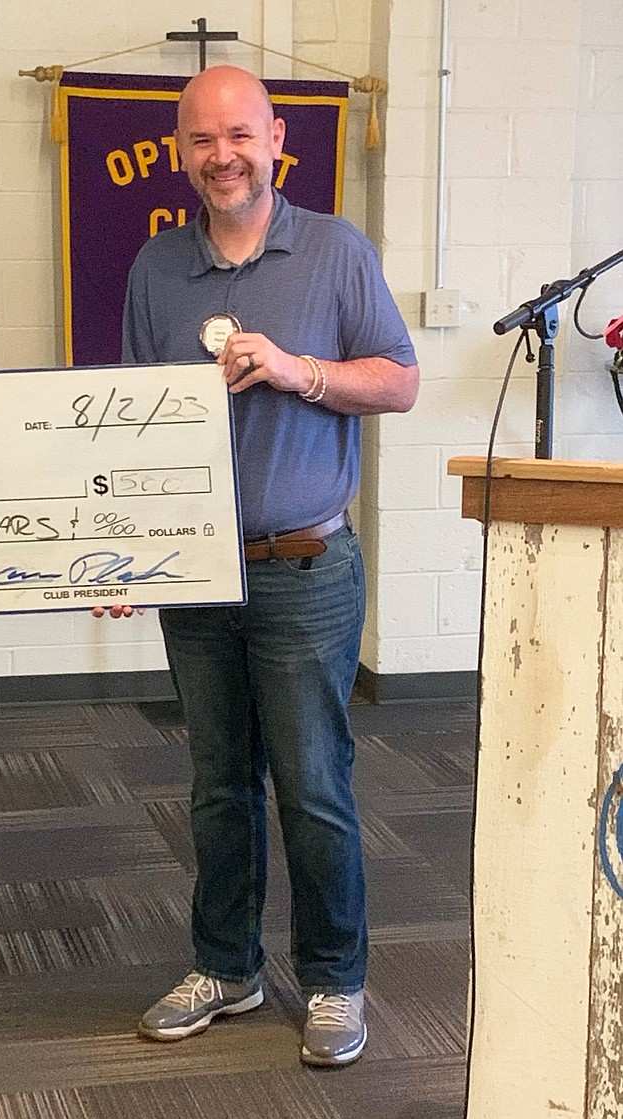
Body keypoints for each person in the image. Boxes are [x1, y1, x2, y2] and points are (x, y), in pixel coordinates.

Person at [110, 65, 419, 1066]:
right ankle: (227, 965)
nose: (221, 154)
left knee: (311, 785)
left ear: (276, 138)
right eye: (201, 139)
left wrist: (298, 370)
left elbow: (399, 381)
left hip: (303, 569)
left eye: (238, 134)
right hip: (195, 578)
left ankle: (333, 979)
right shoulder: (154, 268)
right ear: (179, 151)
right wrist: (118, 552)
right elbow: (127, 425)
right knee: (214, 785)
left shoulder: (333, 250)